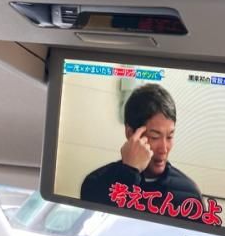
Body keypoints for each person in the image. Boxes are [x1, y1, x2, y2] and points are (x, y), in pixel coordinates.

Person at [80, 83, 202, 211]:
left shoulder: (189, 195)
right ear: (130, 133)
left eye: (170, 137)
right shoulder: (96, 183)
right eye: (154, 137)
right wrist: (129, 174)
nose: (164, 149)